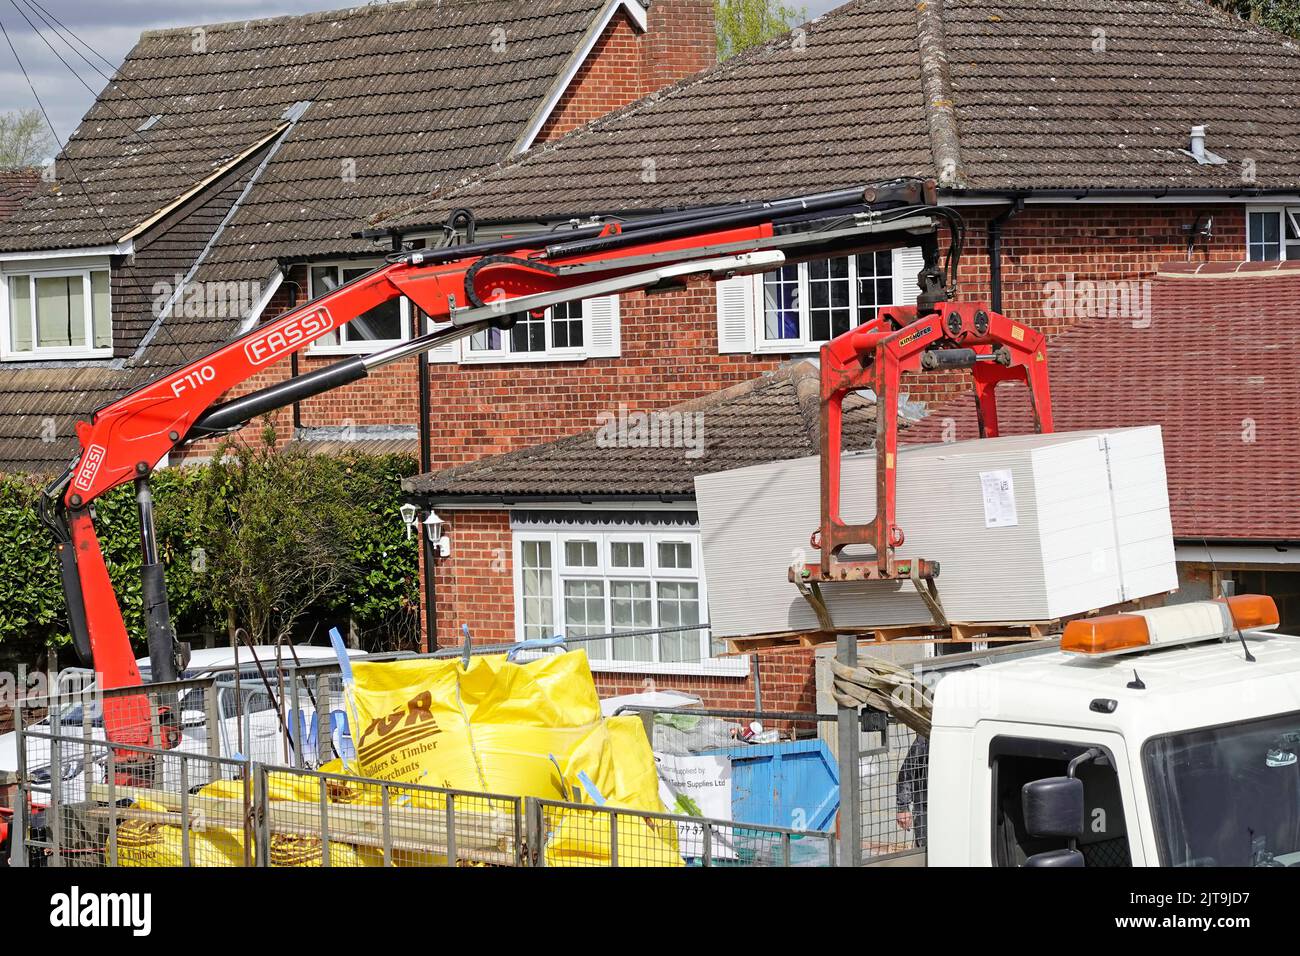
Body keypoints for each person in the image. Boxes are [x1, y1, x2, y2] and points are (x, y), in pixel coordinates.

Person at [895, 733, 930, 849]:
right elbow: (907, 771)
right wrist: (903, 807)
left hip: (958, 808)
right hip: (925, 808)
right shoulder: (926, 736)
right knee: (925, 852)